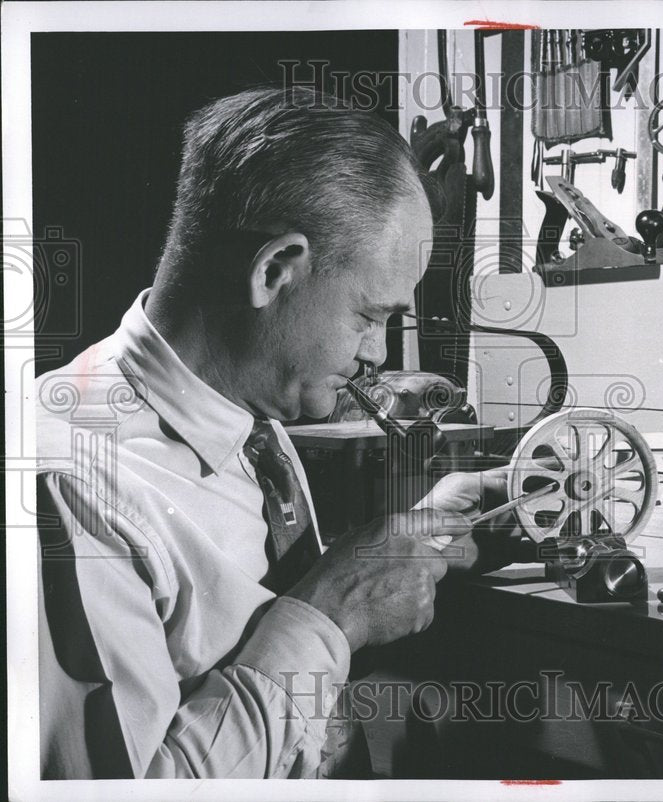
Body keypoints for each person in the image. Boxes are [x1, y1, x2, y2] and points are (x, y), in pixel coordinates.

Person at [35, 85, 510, 779]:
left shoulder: (254, 419)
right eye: (371, 317)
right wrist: (329, 617)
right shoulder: (72, 487)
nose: (378, 353)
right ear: (274, 271)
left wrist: (427, 529)